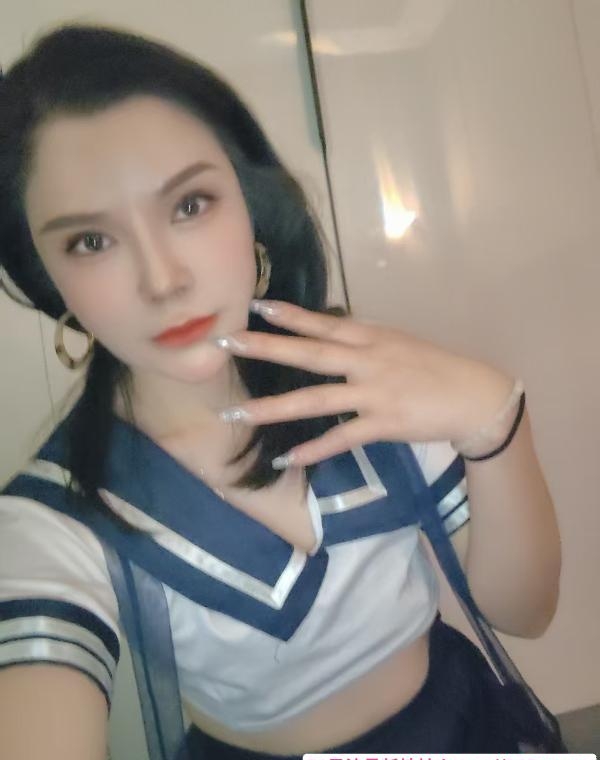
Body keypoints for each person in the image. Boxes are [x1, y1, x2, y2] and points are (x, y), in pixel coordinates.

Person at [0, 22, 563, 760]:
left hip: (468, 727)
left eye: (190, 205)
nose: (163, 280)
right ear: (47, 275)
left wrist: (495, 415)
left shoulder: (368, 384)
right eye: (91, 242)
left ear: (248, 202)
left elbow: (524, 611)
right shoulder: (55, 519)